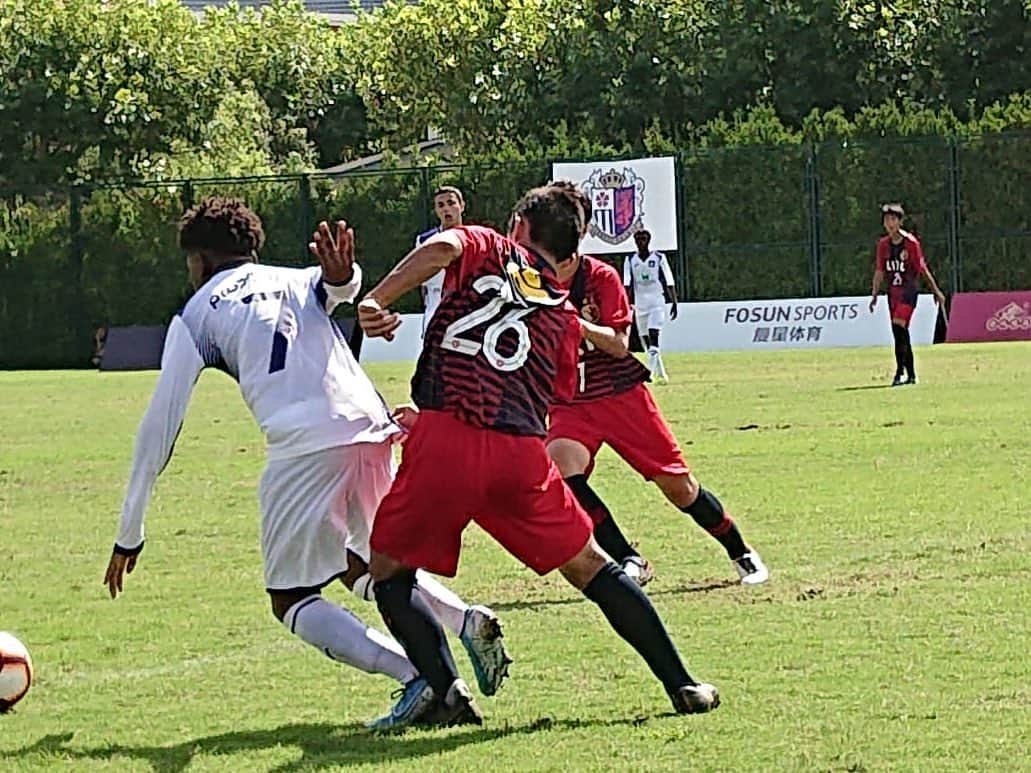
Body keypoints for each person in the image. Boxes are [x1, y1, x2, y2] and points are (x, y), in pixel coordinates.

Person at [102, 196, 510, 732]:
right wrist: (348, 276)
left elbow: (160, 426)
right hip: (369, 426)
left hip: (306, 445)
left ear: (199, 260)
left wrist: (130, 530)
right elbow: (338, 288)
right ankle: (464, 619)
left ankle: (419, 677)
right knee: (367, 562)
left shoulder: (197, 312)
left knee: (292, 596)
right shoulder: (294, 278)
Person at [356, 184, 720, 730]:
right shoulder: (565, 314)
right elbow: (551, 393)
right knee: (594, 566)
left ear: (521, 226)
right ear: (571, 251)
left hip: (445, 443)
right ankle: (684, 685)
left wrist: (377, 300)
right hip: (519, 454)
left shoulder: (489, 245)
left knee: (388, 570)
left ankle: (446, 690)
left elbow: (442, 250)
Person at [547, 182, 768, 588]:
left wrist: (575, 322)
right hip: (568, 400)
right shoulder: (528, 278)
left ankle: (740, 551)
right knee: (561, 471)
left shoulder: (600, 277)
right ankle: (630, 559)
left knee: (678, 487)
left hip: (619, 394)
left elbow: (618, 344)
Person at [869, 203, 946, 386]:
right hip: (893, 294)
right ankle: (909, 373)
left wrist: (936, 291)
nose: (889, 224)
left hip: (908, 292)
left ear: (900, 222)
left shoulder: (910, 243)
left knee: (899, 325)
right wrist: (874, 294)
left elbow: (922, 269)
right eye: (887, 220)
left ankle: (900, 371)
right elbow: (880, 271)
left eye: (893, 219)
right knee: (899, 333)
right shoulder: (883, 245)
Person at [623, 229, 677, 382]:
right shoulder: (630, 259)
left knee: (654, 335)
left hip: (656, 303)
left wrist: (674, 301)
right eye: (638, 239)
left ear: (649, 240)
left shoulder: (659, 257)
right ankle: (661, 374)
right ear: (635, 241)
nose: (641, 242)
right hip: (640, 305)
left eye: (644, 239)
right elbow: (627, 283)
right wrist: (626, 304)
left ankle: (649, 374)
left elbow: (669, 279)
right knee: (647, 343)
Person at [415, 186, 466, 336]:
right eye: (441, 205)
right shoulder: (425, 240)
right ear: (436, 210)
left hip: (465, 303)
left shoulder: (474, 237)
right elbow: (419, 279)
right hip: (436, 302)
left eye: (451, 203)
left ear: (462, 206)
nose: (446, 209)